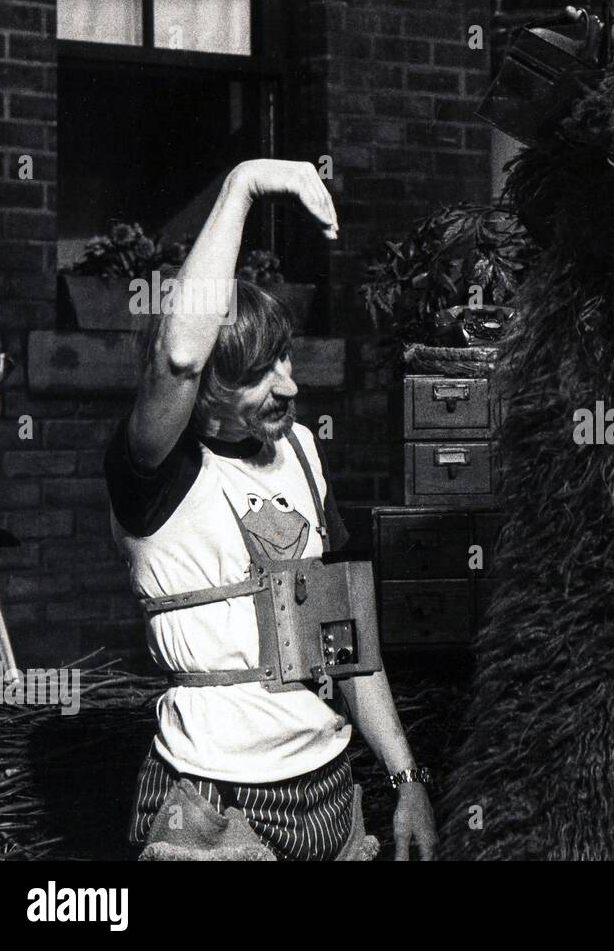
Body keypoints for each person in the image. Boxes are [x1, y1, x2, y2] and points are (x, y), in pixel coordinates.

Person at [105, 159, 436, 860]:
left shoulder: (304, 455)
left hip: (331, 792)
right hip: (211, 802)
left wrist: (407, 778)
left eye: (285, 358)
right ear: (210, 389)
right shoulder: (157, 473)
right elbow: (179, 358)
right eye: (259, 372)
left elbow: (347, 641)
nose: (289, 385)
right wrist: (244, 184)